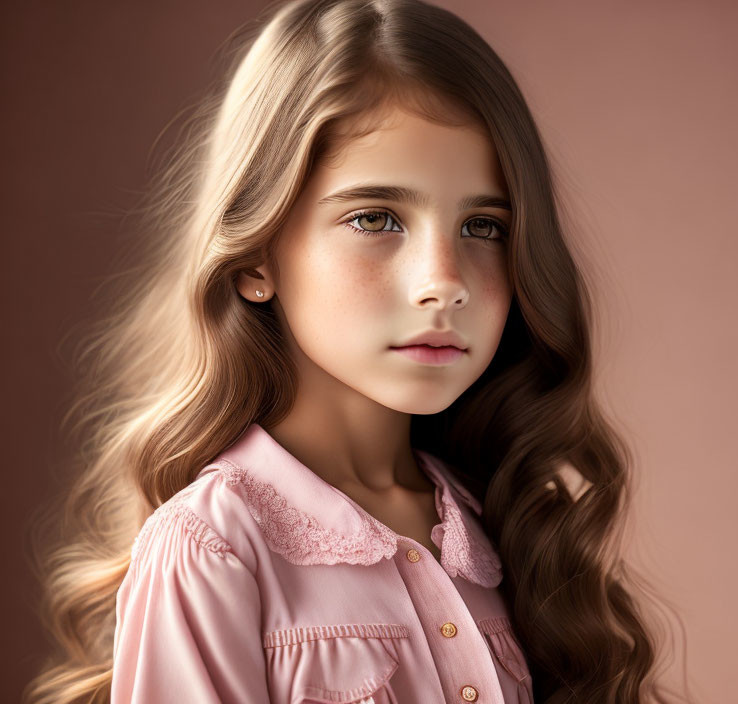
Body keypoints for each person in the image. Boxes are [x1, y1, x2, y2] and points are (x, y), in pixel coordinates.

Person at [24, 1, 687, 702]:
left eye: (484, 227)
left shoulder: (504, 529)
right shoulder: (213, 548)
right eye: (376, 218)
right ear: (256, 258)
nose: (444, 283)